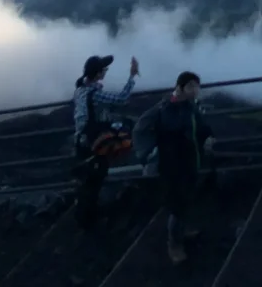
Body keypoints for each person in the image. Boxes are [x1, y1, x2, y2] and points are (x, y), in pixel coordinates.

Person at [72, 54, 139, 229]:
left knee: (87, 181)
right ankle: (88, 222)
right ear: (97, 73)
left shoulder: (79, 90)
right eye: (104, 70)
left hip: (81, 141)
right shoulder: (94, 94)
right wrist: (132, 76)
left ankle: (85, 218)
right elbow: (122, 98)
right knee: (94, 180)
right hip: (93, 143)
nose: (106, 72)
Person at [154, 71, 214, 265]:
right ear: (180, 88)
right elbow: (175, 129)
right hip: (174, 166)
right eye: (191, 86)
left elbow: (202, 127)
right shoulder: (168, 109)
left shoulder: (190, 106)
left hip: (190, 162)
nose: (196, 90)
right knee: (177, 206)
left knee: (186, 200)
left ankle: (182, 231)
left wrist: (209, 136)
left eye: (197, 86)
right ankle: (174, 244)